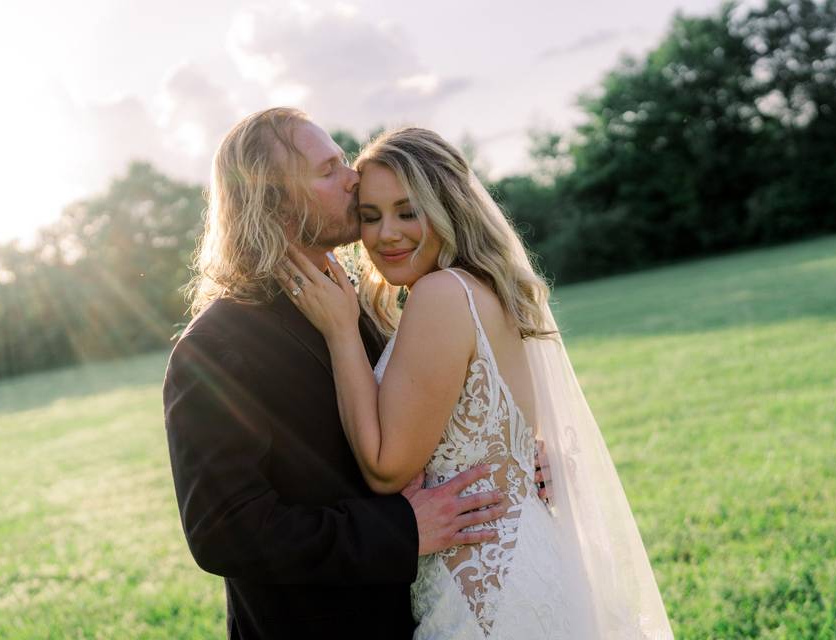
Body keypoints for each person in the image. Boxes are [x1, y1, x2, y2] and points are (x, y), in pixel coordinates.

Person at [276, 127, 675, 638]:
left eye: (408, 211)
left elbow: (386, 471)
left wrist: (340, 333)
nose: (385, 234)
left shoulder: (442, 294)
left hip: (486, 597)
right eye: (370, 217)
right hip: (526, 562)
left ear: (448, 207)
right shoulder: (484, 287)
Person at [162, 108, 512, 639]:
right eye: (328, 170)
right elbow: (224, 531)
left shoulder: (358, 300)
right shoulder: (217, 347)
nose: (353, 178)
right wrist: (401, 531)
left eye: (344, 161)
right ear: (273, 200)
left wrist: (511, 457)